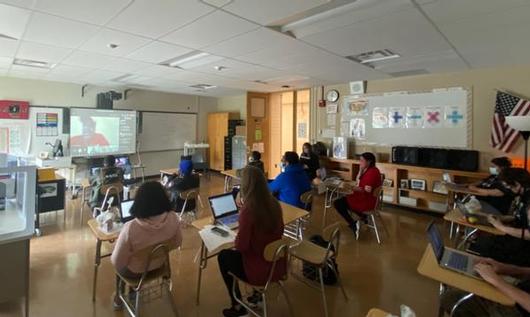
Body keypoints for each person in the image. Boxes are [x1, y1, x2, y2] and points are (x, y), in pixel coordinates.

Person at [217, 166, 285, 317]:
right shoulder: (274, 203)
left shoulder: (249, 210)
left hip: (258, 270)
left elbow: (241, 246)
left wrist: (239, 232)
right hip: (276, 265)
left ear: (245, 186)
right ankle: (256, 296)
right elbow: (280, 231)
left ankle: (237, 306)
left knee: (223, 256)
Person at [111, 181, 182, 309]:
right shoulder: (173, 217)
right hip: (160, 266)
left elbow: (117, 262)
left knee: (120, 267)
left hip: (136, 272)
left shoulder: (131, 227)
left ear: (139, 202)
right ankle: (132, 295)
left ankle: (119, 298)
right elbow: (177, 243)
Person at [469, 168, 530, 267]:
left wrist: (501, 227)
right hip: (516, 240)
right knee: (479, 243)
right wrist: (498, 218)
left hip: (524, 248)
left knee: (483, 247)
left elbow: (528, 234)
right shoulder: (522, 196)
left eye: (507, 185)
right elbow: (518, 217)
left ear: (517, 184)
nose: (507, 188)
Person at [442, 257, 530, 317]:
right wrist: (504, 268)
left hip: (519, 311)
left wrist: (496, 281)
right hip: (518, 291)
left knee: (451, 299)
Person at [333, 152, 382, 238]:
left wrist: (349, 187)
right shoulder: (370, 170)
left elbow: (365, 189)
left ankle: (353, 224)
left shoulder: (372, 173)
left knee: (338, 203)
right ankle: (363, 216)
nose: (360, 162)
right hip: (367, 198)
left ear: (369, 162)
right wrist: (360, 170)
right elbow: (358, 181)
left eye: (362, 160)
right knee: (345, 199)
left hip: (367, 201)